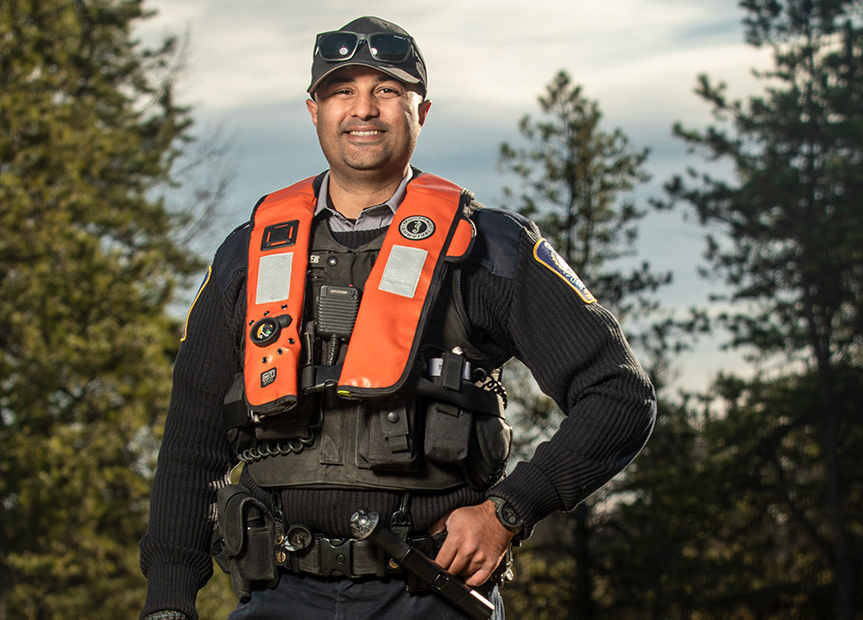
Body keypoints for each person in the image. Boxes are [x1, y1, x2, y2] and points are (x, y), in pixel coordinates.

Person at [138, 16, 656, 620]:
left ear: (422, 111)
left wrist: (510, 510)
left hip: (430, 594)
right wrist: (169, 600)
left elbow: (621, 396)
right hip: (279, 594)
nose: (364, 109)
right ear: (314, 110)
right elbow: (189, 441)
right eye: (342, 91)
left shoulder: (488, 247)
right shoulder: (248, 255)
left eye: (387, 90)